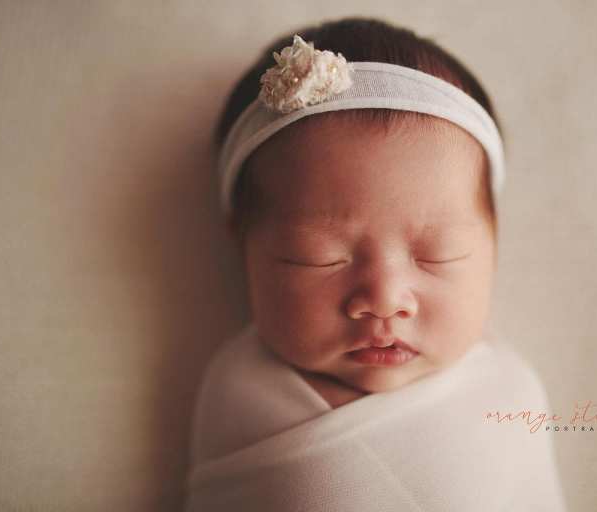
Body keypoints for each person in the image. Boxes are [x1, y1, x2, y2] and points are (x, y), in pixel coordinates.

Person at [185, 17, 567, 511]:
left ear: (495, 245)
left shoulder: (511, 395)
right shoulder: (238, 393)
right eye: (318, 258)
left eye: (439, 253)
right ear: (243, 251)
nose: (385, 298)